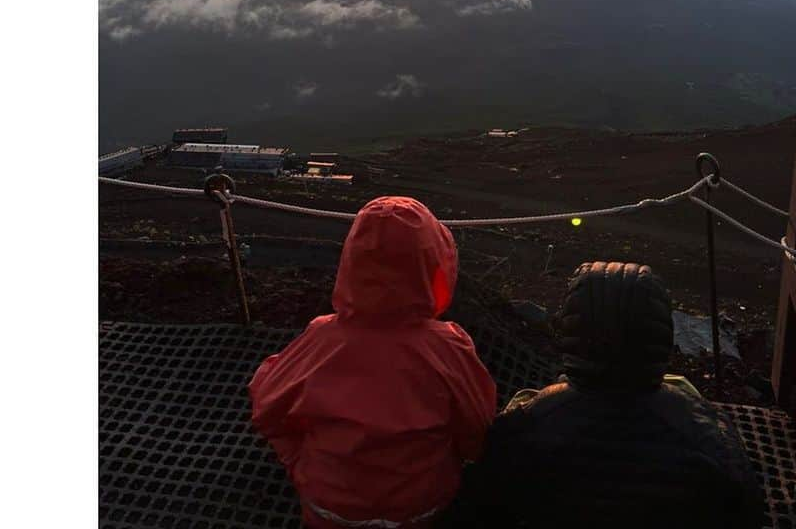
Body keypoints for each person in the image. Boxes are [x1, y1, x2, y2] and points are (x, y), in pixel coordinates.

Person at [447, 260, 763, 528]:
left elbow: (474, 508)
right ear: (661, 338)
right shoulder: (708, 437)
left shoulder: (520, 428)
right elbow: (746, 511)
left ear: (570, 335)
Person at [249, 196, 497, 528]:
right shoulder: (449, 348)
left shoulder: (322, 339)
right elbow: (476, 428)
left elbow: (268, 408)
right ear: (437, 266)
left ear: (351, 263)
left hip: (329, 508)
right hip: (420, 509)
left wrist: (298, 458)